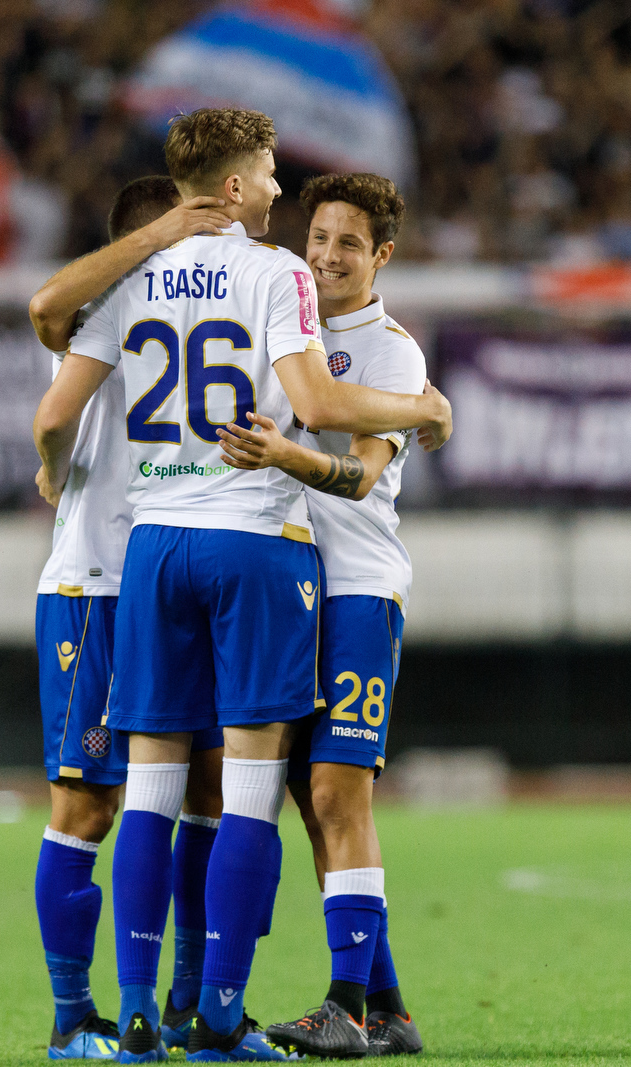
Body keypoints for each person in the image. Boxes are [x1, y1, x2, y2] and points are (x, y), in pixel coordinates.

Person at [34, 106, 452, 1064]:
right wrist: (424, 409)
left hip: (150, 544)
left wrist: (50, 458)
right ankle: (219, 1012)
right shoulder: (277, 275)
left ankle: (136, 1011)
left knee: (151, 790)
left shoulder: (133, 274)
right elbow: (311, 405)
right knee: (250, 792)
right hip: (254, 542)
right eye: (269, 176)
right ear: (235, 186)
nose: (279, 191)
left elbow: (56, 352)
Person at [210, 173, 426, 1059]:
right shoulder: (281, 319)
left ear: (380, 256)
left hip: (357, 589)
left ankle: (345, 1003)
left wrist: (287, 454)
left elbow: (363, 475)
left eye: (348, 243)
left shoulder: (392, 355)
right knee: (310, 797)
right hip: (287, 584)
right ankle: (390, 1008)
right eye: (319, 237)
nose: (328, 254)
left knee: (340, 789)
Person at [29, 175, 229, 1061]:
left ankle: (185, 1005)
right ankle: (75, 1017)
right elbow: (44, 320)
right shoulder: (105, 308)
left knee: (205, 792)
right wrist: (52, 463)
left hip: (172, 577)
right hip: (97, 585)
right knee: (87, 804)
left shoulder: (213, 302)